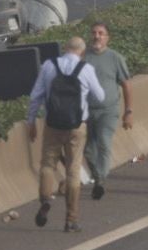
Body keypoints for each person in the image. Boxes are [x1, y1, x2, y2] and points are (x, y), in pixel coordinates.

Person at [25, 36, 104, 233]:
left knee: (47, 164)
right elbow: (100, 96)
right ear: (82, 51)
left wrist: (31, 122)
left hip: (52, 125)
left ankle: (45, 199)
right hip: (77, 127)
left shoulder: (49, 66)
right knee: (73, 171)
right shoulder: (86, 69)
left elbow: (36, 96)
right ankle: (71, 219)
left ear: (65, 49)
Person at [81, 21, 134, 201]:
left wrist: (128, 111)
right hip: (88, 112)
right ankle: (98, 176)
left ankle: (100, 181)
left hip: (108, 111)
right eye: (94, 33)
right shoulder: (83, 57)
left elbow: (126, 85)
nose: (97, 36)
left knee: (104, 142)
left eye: (101, 33)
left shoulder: (115, 58)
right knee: (88, 150)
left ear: (107, 38)